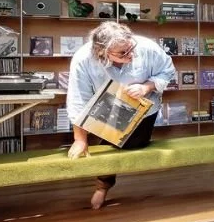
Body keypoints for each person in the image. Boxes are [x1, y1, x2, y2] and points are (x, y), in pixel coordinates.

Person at [65, 21, 176, 209]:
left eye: (130, 48)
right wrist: (80, 139)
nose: (130, 55)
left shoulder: (147, 47)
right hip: (105, 108)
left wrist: (146, 87)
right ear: (102, 52)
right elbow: (78, 99)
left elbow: (167, 71)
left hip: (144, 107)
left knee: (131, 143)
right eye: (123, 53)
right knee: (112, 144)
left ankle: (102, 184)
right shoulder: (83, 59)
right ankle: (103, 186)